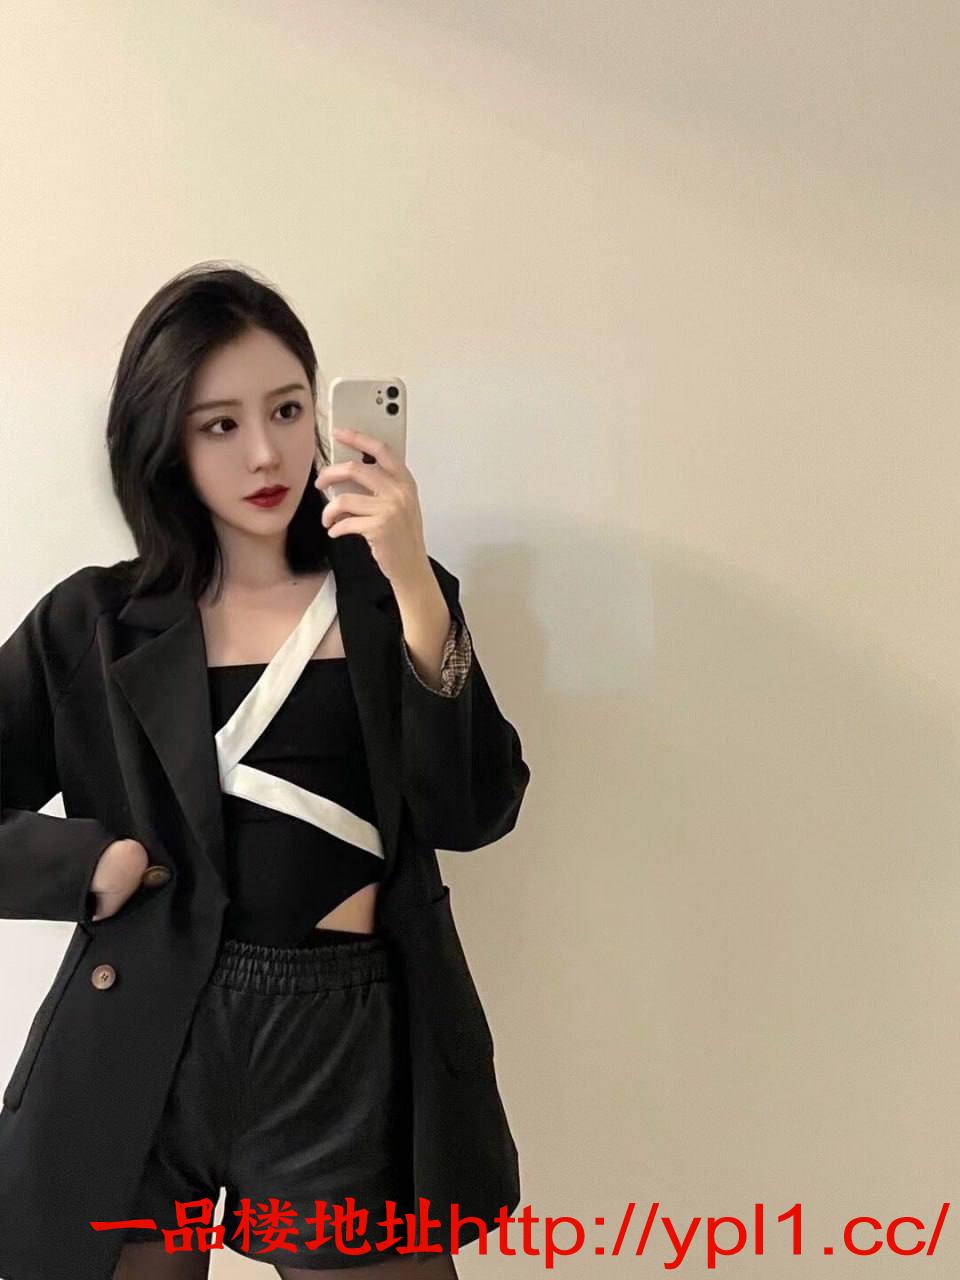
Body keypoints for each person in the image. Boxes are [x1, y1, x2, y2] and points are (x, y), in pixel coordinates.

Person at [0, 262, 530, 1280]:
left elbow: (475, 809)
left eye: (288, 409)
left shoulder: (394, 598)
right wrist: (79, 865)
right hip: (138, 1038)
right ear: (164, 441)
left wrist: (414, 584)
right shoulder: (93, 621)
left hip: (345, 1044)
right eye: (219, 424)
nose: (264, 451)